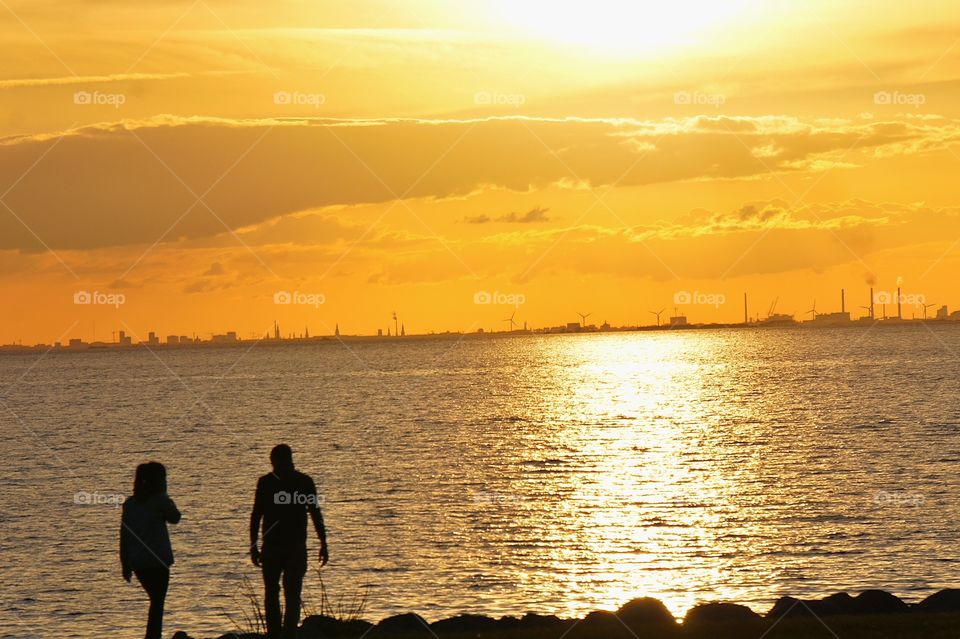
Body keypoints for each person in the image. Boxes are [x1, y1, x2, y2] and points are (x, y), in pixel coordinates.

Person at [250, 444, 329, 638]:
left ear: (274, 461)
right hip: (291, 546)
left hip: (277, 546)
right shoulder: (303, 481)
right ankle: (288, 634)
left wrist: (253, 545)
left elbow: (256, 515)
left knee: (274, 593)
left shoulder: (266, 483)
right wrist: (323, 542)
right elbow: (315, 513)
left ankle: (276, 634)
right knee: (290, 594)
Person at [120, 462, 181, 639]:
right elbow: (175, 518)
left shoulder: (130, 504)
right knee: (157, 602)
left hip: (138, 562)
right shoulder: (160, 500)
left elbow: (124, 536)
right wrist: (166, 496)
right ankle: (153, 636)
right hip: (158, 561)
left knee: (155, 601)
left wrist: (125, 562)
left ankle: (153, 635)